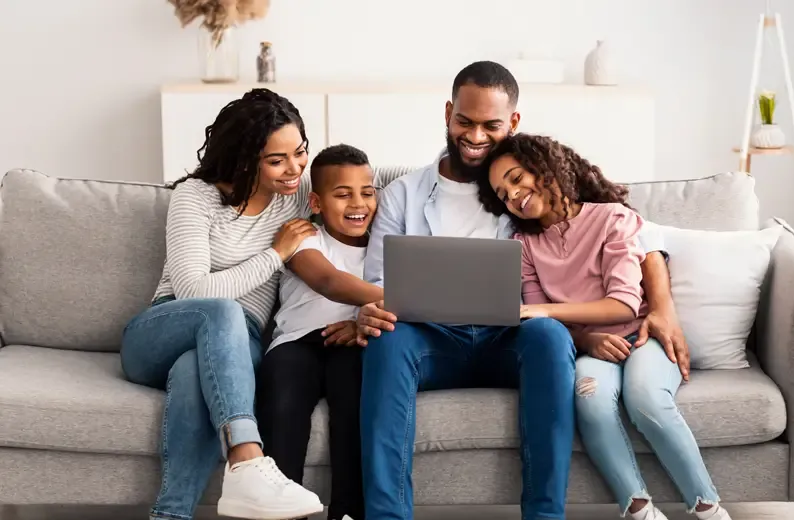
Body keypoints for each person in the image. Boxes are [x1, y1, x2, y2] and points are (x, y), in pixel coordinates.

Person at [355, 61, 691, 520]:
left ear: (512, 122)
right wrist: (371, 310)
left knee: (550, 335)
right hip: (430, 340)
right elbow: (377, 282)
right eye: (465, 122)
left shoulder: (527, 184)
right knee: (386, 341)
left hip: (509, 334)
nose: (475, 136)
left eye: (490, 125)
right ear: (448, 114)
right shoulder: (403, 194)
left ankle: (544, 514)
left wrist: (665, 306)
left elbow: (640, 234)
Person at [477, 133, 731, 520]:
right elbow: (535, 309)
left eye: (515, 178)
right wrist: (585, 338)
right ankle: (639, 508)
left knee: (645, 397)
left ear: (544, 168)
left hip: (644, 333)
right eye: (502, 193)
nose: (512, 195)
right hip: (591, 345)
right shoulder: (524, 244)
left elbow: (623, 302)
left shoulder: (612, 218)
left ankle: (708, 506)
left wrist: (546, 311)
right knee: (590, 399)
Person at [256, 144, 383, 520]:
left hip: (352, 342)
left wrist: (365, 319)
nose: (357, 203)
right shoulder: (302, 236)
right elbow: (328, 280)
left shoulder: (387, 245)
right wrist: (403, 299)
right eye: (342, 194)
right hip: (298, 343)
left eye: (367, 192)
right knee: (283, 403)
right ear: (315, 201)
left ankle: (348, 512)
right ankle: (281, 509)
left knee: (356, 405)